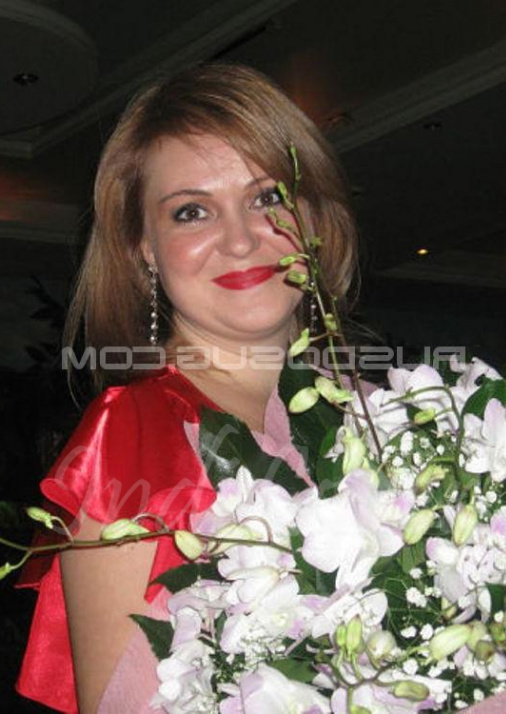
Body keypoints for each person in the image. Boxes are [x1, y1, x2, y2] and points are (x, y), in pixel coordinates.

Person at [16, 63, 357, 713]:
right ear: (145, 247)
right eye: (191, 211)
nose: (240, 239)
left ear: (313, 216)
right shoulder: (133, 439)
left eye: (267, 197)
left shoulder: (398, 417)